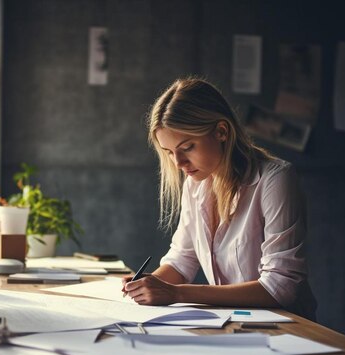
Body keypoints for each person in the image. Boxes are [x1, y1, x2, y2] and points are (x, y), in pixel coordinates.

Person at [122, 77, 317, 320]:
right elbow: (182, 261)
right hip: (233, 325)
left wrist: (177, 294)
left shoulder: (275, 179)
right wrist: (149, 284)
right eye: (170, 152)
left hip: (288, 330)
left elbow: (281, 286)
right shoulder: (195, 184)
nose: (178, 163)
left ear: (222, 132)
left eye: (188, 147)